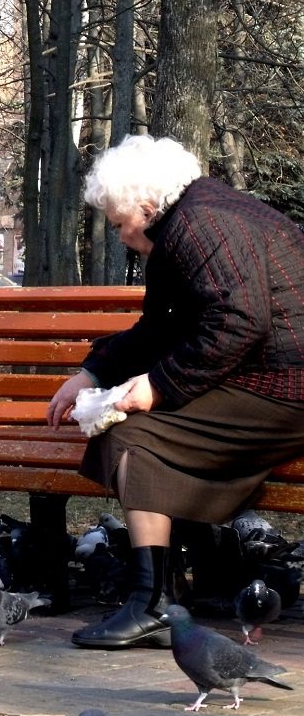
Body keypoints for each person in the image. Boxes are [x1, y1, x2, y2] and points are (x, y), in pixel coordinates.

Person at [47, 134, 304, 650]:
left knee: (135, 436)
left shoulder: (202, 226)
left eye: (120, 224)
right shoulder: (191, 221)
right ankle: (172, 587)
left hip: (286, 388)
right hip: (268, 381)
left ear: (145, 206)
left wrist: (160, 387)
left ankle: (153, 602)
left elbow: (239, 322)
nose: (120, 236)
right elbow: (160, 330)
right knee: (133, 427)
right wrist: (92, 375)